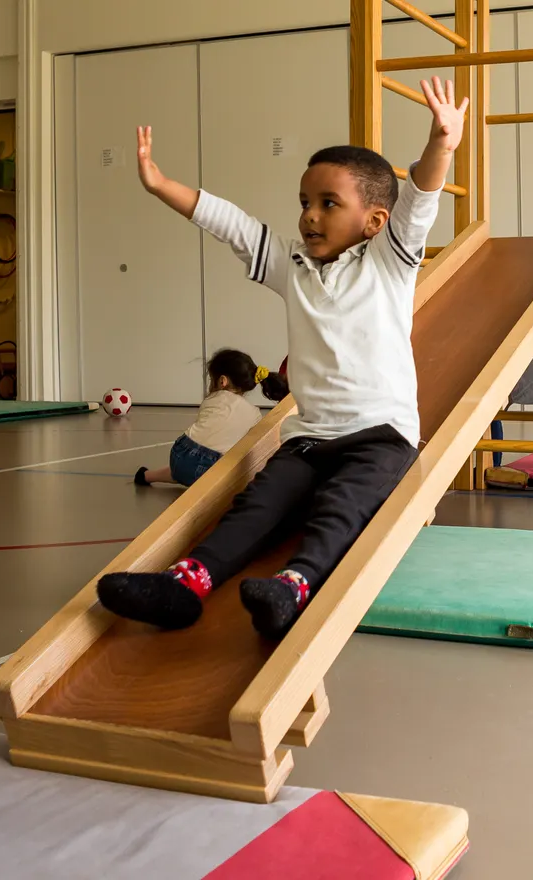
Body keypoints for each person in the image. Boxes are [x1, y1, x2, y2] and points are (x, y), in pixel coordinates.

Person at [98, 77, 466, 641]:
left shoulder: (389, 261)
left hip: (381, 436)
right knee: (257, 504)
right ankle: (185, 586)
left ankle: (295, 585)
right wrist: (160, 184)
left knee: (342, 509)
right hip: (309, 436)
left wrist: (442, 141)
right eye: (304, 203)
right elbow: (231, 224)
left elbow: (418, 200)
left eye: (328, 204)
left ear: (372, 221)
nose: (309, 216)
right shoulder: (291, 265)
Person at [135, 348, 289, 488]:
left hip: (179, 454)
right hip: (211, 469)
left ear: (222, 381)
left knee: (186, 467)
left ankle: (147, 476)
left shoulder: (213, 398)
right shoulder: (254, 413)